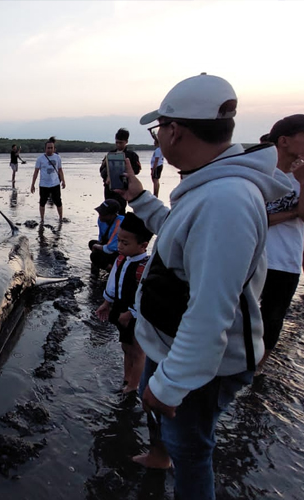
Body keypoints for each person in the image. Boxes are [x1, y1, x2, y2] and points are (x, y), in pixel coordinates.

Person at [118, 73, 290, 499]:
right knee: (153, 403)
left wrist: (173, 383)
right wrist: (140, 198)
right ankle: (159, 454)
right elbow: (179, 235)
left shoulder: (225, 201)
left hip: (204, 363)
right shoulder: (209, 184)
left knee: (191, 449)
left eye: (158, 130)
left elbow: (212, 311)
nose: (158, 139)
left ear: (174, 131)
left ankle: (173, 459)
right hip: (169, 343)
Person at [258, 115, 304, 367]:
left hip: (287, 259)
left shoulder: (302, 174)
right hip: (256, 255)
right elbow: (256, 217)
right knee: (238, 313)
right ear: (284, 141)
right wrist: (291, 212)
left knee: (273, 318)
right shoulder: (262, 174)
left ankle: (256, 370)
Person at [95, 212, 152, 391]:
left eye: (125, 243)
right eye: (119, 240)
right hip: (120, 307)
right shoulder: (121, 259)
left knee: (138, 350)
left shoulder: (145, 267)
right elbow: (113, 282)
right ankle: (127, 378)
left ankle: (134, 385)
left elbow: (146, 295)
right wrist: (106, 302)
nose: (119, 246)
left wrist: (131, 313)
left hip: (136, 314)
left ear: (143, 245)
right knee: (126, 346)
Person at [100, 128, 141, 214]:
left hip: (123, 187)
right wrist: (105, 167)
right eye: (117, 142)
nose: (118, 145)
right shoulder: (110, 154)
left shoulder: (132, 155)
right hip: (109, 187)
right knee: (108, 210)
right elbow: (101, 171)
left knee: (121, 210)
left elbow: (136, 171)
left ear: (126, 141)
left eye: (120, 142)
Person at [31, 137, 66, 224]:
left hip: (55, 183)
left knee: (58, 201)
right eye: (48, 148)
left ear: (54, 149)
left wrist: (63, 181)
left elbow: (60, 170)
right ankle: (42, 219)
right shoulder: (40, 159)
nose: (50, 149)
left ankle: (61, 218)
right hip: (44, 184)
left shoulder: (57, 157)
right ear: (45, 148)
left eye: (51, 148)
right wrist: (32, 184)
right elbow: (36, 172)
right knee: (42, 202)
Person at [88, 199, 123, 272]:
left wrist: (96, 247)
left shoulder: (119, 224)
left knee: (94, 255)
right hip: (109, 245)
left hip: (119, 251)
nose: (100, 216)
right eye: (99, 213)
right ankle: (96, 269)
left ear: (112, 215)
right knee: (92, 243)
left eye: (103, 214)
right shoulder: (101, 220)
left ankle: (113, 270)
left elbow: (110, 249)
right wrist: (97, 246)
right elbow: (102, 238)